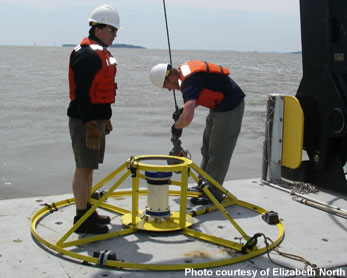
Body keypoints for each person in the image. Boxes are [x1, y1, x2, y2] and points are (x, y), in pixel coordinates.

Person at [149, 60, 245, 205]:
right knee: (206, 149)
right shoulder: (186, 75)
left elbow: (187, 119)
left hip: (230, 107)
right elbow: (200, 95)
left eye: (166, 86)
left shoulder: (189, 81)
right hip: (218, 106)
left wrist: (176, 126)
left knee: (218, 152)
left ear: (172, 78)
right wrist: (183, 110)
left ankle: (214, 193)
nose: (169, 90)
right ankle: (204, 185)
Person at [67, 4, 120, 233]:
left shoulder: (100, 52)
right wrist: (89, 123)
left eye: (116, 31)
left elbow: (100, 90)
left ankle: (88, 210)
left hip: (95, 120)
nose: (115, 35)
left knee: (89, 167)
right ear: (97, 29)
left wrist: (105, 118)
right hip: (83, 121)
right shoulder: (87, 54)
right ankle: (82, 219)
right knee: (83, 167)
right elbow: (82, 93)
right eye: (111, 30)